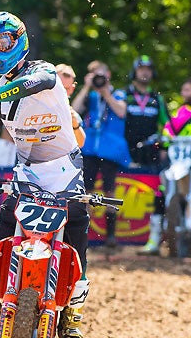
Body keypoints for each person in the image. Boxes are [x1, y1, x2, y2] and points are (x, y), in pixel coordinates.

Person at [0, 11, 91, 338]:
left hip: (66, 169)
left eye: (0, 43)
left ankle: (73, 322)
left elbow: (33, 84)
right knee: (4, 229)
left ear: (18, 38)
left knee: (79, 230)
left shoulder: (44, 71)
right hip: (27, 172)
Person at [72, 60, 129, 248]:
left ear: (109, 75)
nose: (99, 78)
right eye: (95, 75)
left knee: (109, 191)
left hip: (110, 149)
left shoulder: (118, 93)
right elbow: (74, 110)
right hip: (89, 148)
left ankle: (110, 236)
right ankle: (84, 234)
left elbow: (121, 112)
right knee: (86, 192)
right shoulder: (90, 96)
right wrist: (87, 87)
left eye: (101, 75)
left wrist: (106, 92)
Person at [122, 56, 171, 255]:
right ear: (135, 71)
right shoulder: (124, 95)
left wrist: (165, 147)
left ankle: (153, 239)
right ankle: (116, 238)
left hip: (150, 153)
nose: (145, 73)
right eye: (141, 69)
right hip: (125, 152)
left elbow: (167, 126)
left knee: (155, 191)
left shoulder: (156, 99)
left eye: (148, 69)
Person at [160, 78, 191, 257]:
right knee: (170, 196)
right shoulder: (181, 113)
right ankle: (169, 235)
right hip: (181, 164)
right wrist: (164, 142)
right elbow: (167, 132)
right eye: (186, 89)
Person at [55, 63, 86, 147]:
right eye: (59, 87)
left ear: (72, 89)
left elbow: (80, 144)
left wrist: (74, 123)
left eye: (66, 88)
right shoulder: (36, 104)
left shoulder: (73, 115)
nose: (62, 92)